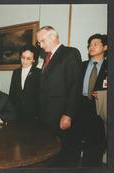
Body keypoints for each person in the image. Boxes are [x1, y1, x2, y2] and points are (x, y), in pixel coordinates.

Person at [36, 26, 83, 167]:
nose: (41, 45)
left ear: (53, 36)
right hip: (46, 116)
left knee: (63, 156)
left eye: (43, 41)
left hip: (60, 116)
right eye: (39, 43)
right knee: (49, 154)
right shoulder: (47, 58)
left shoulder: (70, 53)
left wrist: (68, 114)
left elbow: (75, 87)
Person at [79, 34, 107, 167]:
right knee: (78, 144)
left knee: (96, 147)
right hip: (81, 107)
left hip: (99, 110)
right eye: (90, 44)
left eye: (96, 44)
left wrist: (103, 95)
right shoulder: (81, 65)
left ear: (105, 47)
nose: (91, 47)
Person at [9, 45, 41, 123]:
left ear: (34, 60)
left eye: (28, 58)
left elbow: (40, 95)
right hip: (17, 113)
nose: (25, 61)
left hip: (32, 113)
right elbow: (12, 93)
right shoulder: (16, 72)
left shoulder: (38, 73)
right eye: (23, 57)